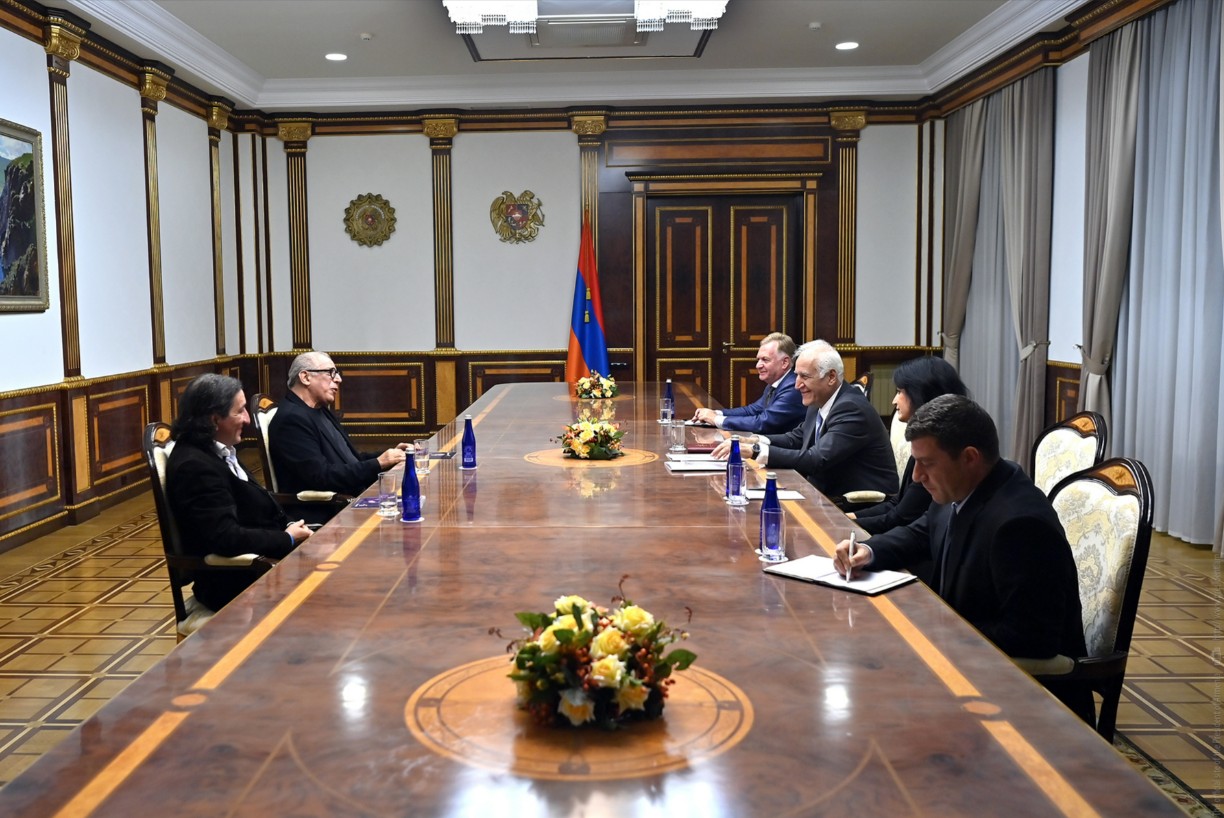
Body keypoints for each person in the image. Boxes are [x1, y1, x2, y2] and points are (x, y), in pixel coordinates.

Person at [833, 395, 1093, 725]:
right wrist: (869, 551)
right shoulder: (962, 486)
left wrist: (931, 629)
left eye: (927, 464)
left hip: (1022, 704)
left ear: (970, 457)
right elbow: (922, 532)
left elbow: (1031, 639)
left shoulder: (1020, 525)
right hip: (965, 668)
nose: (917, 477)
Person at [166, 374, 312, 612]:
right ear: (215, 419)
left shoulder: (219, 450)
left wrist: (291, 526)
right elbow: (226, 538)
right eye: (240, 411)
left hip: (263, 567)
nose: (247, 419)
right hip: (236, 583)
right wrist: (287, 538)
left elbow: (255, 504)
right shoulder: (194, 466)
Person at [713, 340, 898, 499]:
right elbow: (796, 438)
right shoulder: (819, 399)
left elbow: (816, 459)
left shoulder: (851, 408)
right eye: (797, 375)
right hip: (821, 493)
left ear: (831, 377)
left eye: (805, 376)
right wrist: (754, 440)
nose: (797, 385)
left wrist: (755, 451)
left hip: (854, 503)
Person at [850, 356, 969, 534]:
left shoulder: (938, 447)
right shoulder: (925, 438)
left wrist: (843, 524)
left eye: (900, 392)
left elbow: (901, 518)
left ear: (920, 393)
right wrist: (848, 518)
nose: (894, 401)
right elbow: (897, 503)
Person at [269, 351, 408, 496]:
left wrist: (391, 455)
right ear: (305, 377)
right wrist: (378, 463)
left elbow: (350, 460)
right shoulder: (291, 419)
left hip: (352, 494)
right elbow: (321, 476)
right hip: (331, 506)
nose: (339, 379)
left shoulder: (320, 410)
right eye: (331, 373)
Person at [691, 332, 805, 434]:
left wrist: (716, 419)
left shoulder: (793, 387)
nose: (758, 365)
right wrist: (716, 413)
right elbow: (753, 410)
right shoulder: (777, 382)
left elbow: (764, 422)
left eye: (765, 360)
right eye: (758, 360)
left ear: (785, 362)